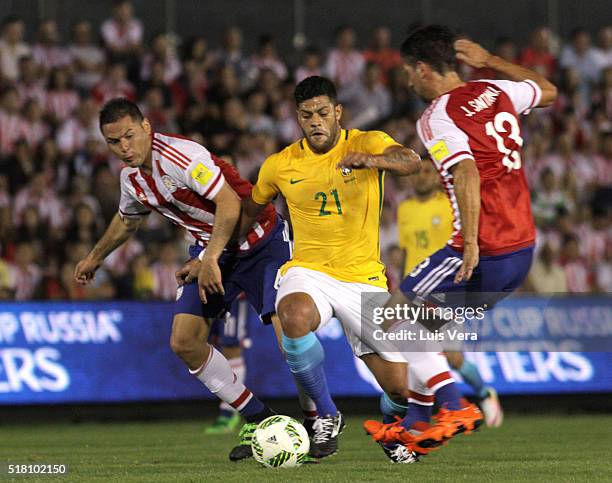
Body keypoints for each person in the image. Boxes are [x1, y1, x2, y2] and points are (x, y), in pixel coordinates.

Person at [240, 76, 480, 463]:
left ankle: (391, 429)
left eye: (321, 113)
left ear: (337, 112)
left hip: (363, 280)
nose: (315, 121)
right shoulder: (280, 164)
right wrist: (211, 251)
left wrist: (372, 161)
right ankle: (326, 415)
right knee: (294, 315)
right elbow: (251, 208)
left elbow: (410, 161)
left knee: (401, 390)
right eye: (306, 115)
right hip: (309, 269)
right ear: (297, 118)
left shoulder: (366, 142)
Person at [366, 25, 557, 450]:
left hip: (481, 246)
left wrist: (469, 242)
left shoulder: (436, 116)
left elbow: (466, 171)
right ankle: (417, 422)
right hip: (521, 247)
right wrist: (489, 60)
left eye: (408, 72)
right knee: (425, 330)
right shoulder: (495, 89)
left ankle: (453, 405)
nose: (407, 81)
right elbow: (547, 90)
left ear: (422, 68)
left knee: (388, 319)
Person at [73, 98, 291, 461]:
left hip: (261, 242)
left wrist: (208, 257)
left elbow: (230, 204)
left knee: (292, 343)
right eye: (114, 142)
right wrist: (95, 257)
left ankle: (322, 421)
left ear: (146, 127)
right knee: (185, 341)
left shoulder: (180, 156)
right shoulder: (132, 179)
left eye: (129, 135)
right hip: (214, 252)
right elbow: (127, 219)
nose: (124, 147)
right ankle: (259, 417)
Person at [398, 157, 504, 427]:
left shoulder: (449, 205)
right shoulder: (405, 209)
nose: (421, 177)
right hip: (413, 291)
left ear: (436, 177)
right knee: (418, 352)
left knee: (449, 356)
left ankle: (477, 396)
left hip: (443, 290)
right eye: (417, 173)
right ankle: (424, 415)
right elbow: (407, 251)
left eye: (426, 172)